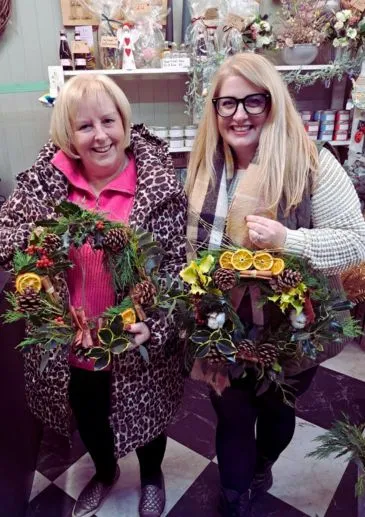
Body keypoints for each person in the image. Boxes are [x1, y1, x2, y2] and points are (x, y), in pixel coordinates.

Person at [185, 52, 365, 517]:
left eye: (253, 101)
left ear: (274, 103)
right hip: (223, 329)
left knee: (279, 414)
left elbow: (353, 242)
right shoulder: (205, 164)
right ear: (215, 110)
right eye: (227, 103)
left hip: (294, 328)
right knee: (231, 413)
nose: (239, 114)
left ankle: (264, 462)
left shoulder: (312, 163)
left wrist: (289, 239)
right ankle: (233, 496)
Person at [0, 74, 187, 517]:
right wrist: (39, 238)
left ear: (124, 121)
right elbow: (5, 233)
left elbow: (177, 273)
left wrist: (155, 326)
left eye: (109, 120)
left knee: (149, 417)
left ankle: (152, 477)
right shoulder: (45, 186)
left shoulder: (158, 189)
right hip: (71, 341)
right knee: (89, 417)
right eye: (85, 126)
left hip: (135, 337)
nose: (100, 136)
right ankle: (105, 473)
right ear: (69, 134)